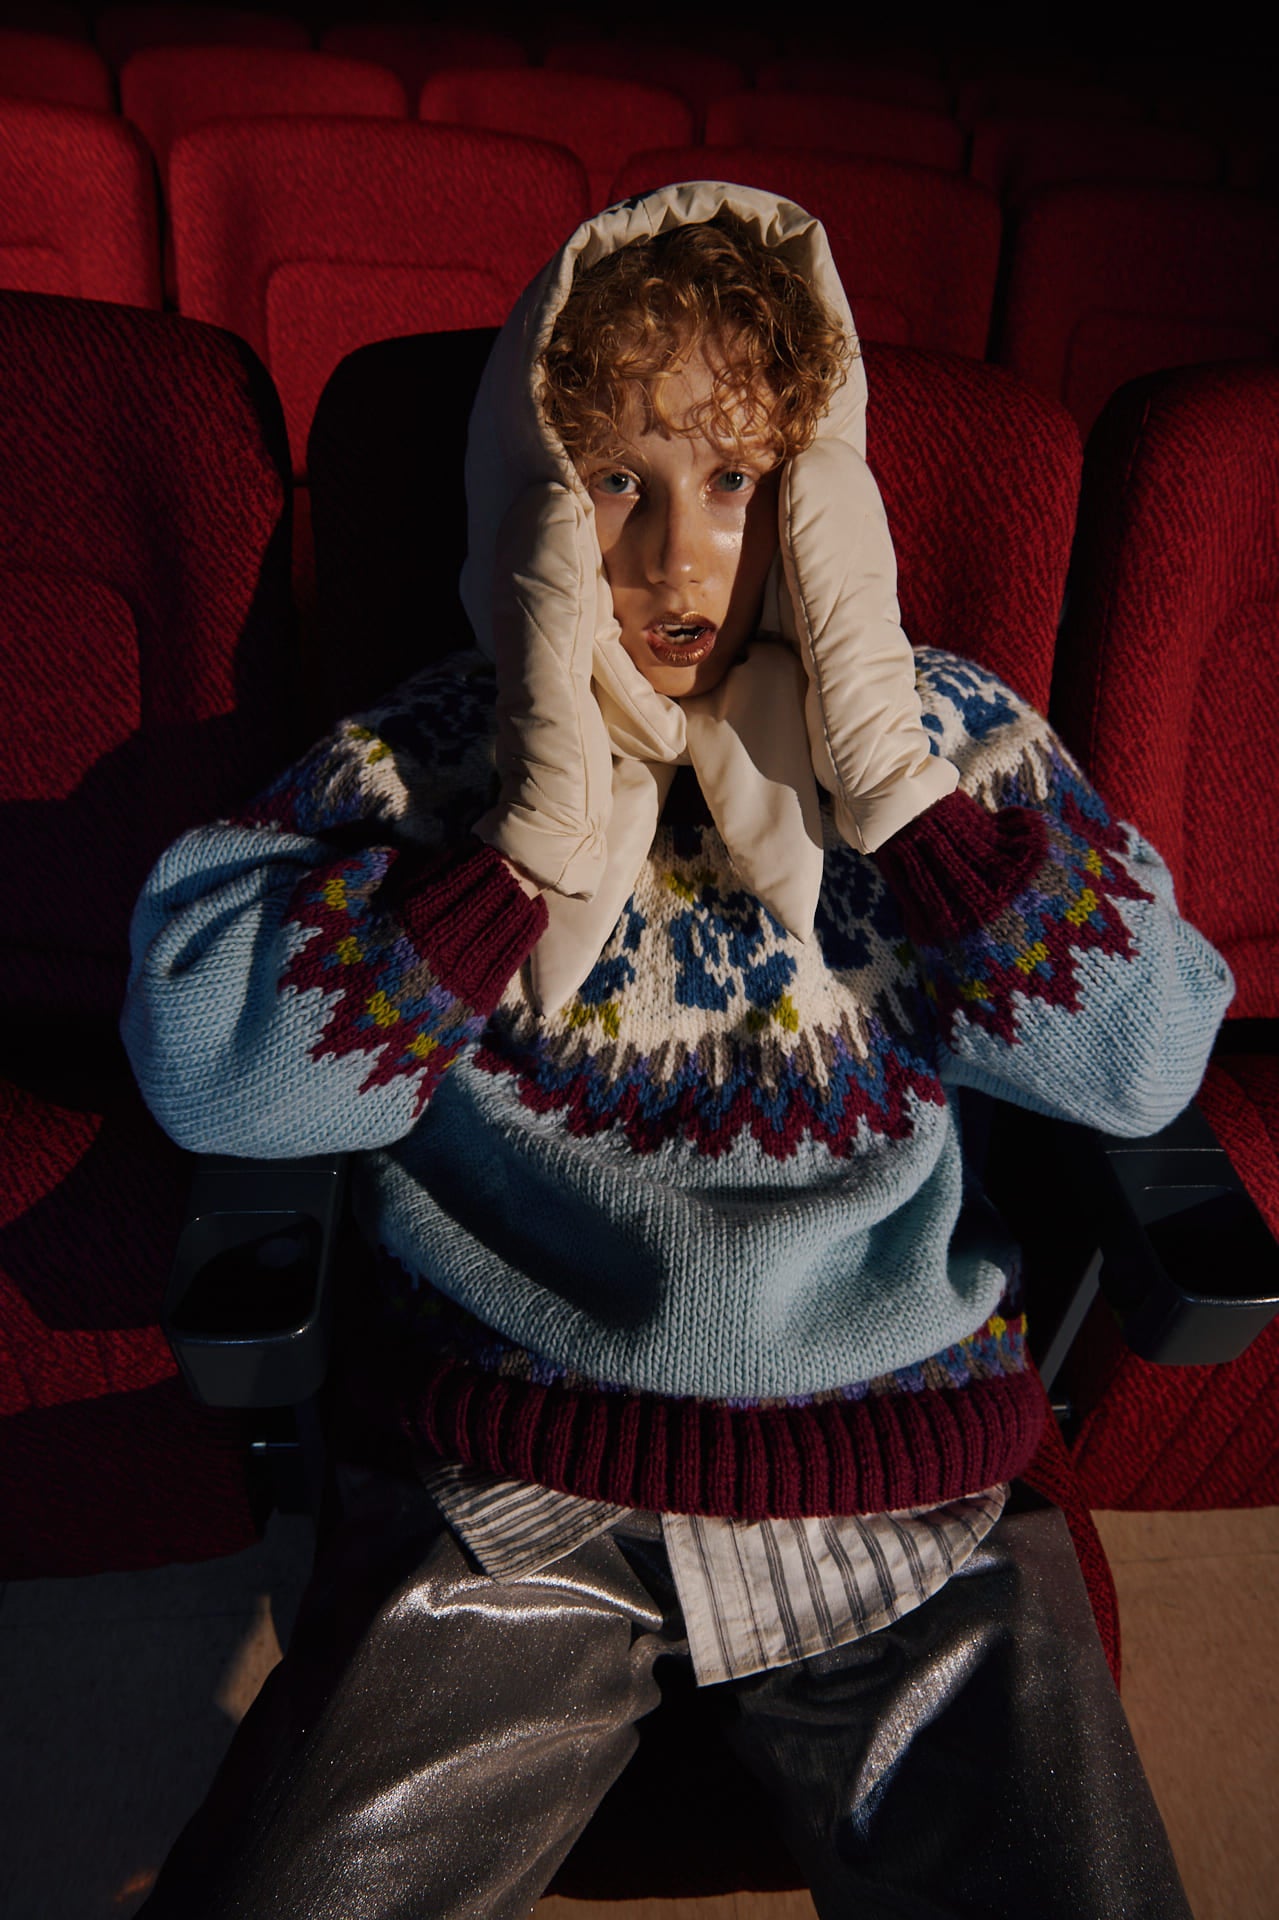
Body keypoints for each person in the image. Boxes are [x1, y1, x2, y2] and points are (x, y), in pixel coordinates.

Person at [124, 182, 1229, 1917]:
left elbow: (1146, 1060)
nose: (672, 557)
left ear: (825, 502)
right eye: (617, 483)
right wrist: (517, 855)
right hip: (516, 1471)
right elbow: (210, 1064)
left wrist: (906, 801)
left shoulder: (954, 735)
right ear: (533, 501)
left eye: (735, 482)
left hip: (904, 1471)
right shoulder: (436, 747)